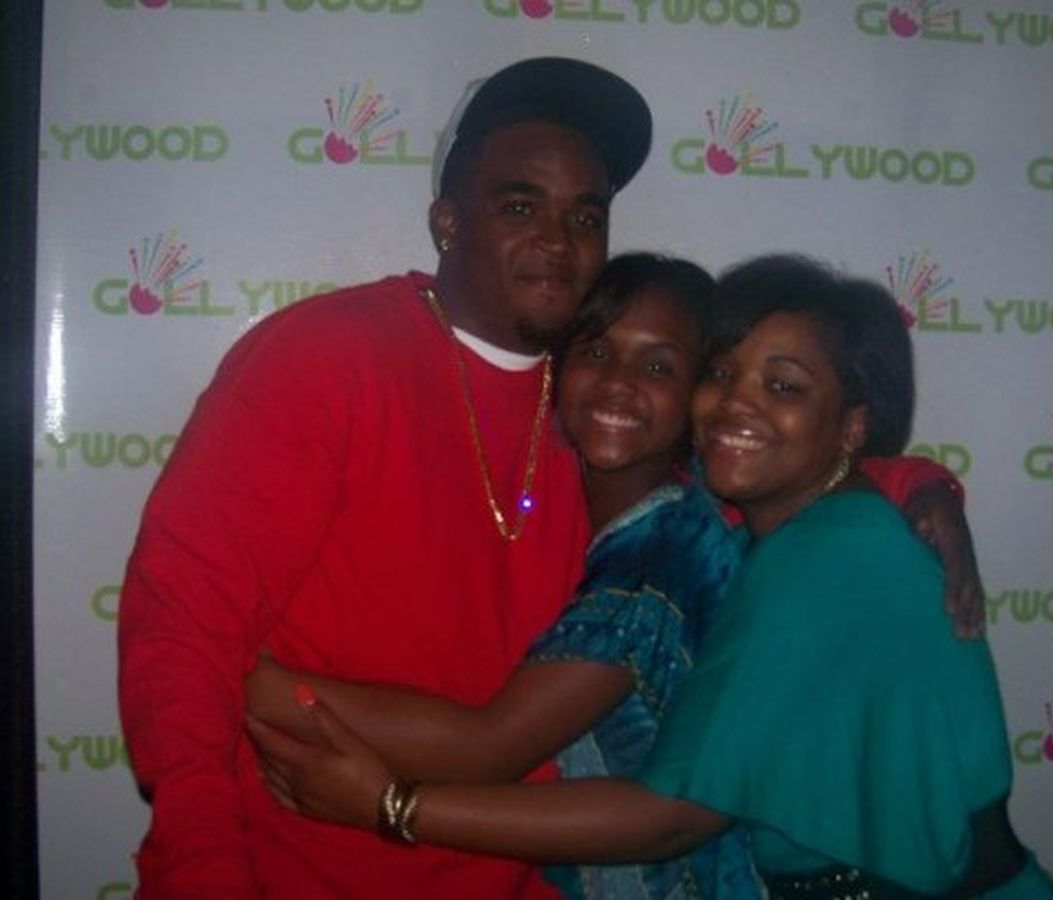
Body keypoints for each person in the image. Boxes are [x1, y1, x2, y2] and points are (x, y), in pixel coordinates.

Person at [248, 255, 1053, 899]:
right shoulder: (762, 524)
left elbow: (672, 814)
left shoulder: (809, 553)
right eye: (724, 374)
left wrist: (385, 801)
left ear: (852, 424)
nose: (736, 404)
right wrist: (922, 484)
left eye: (783, 386)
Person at [118, 57, 654, 899]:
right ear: (448, 220)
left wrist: (887, 489)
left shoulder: (609, 409)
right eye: (520, 207)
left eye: (586, 217)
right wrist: (201, 869)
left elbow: (761, 492)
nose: (558, 240)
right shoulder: (327, 357)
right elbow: (183, 626)